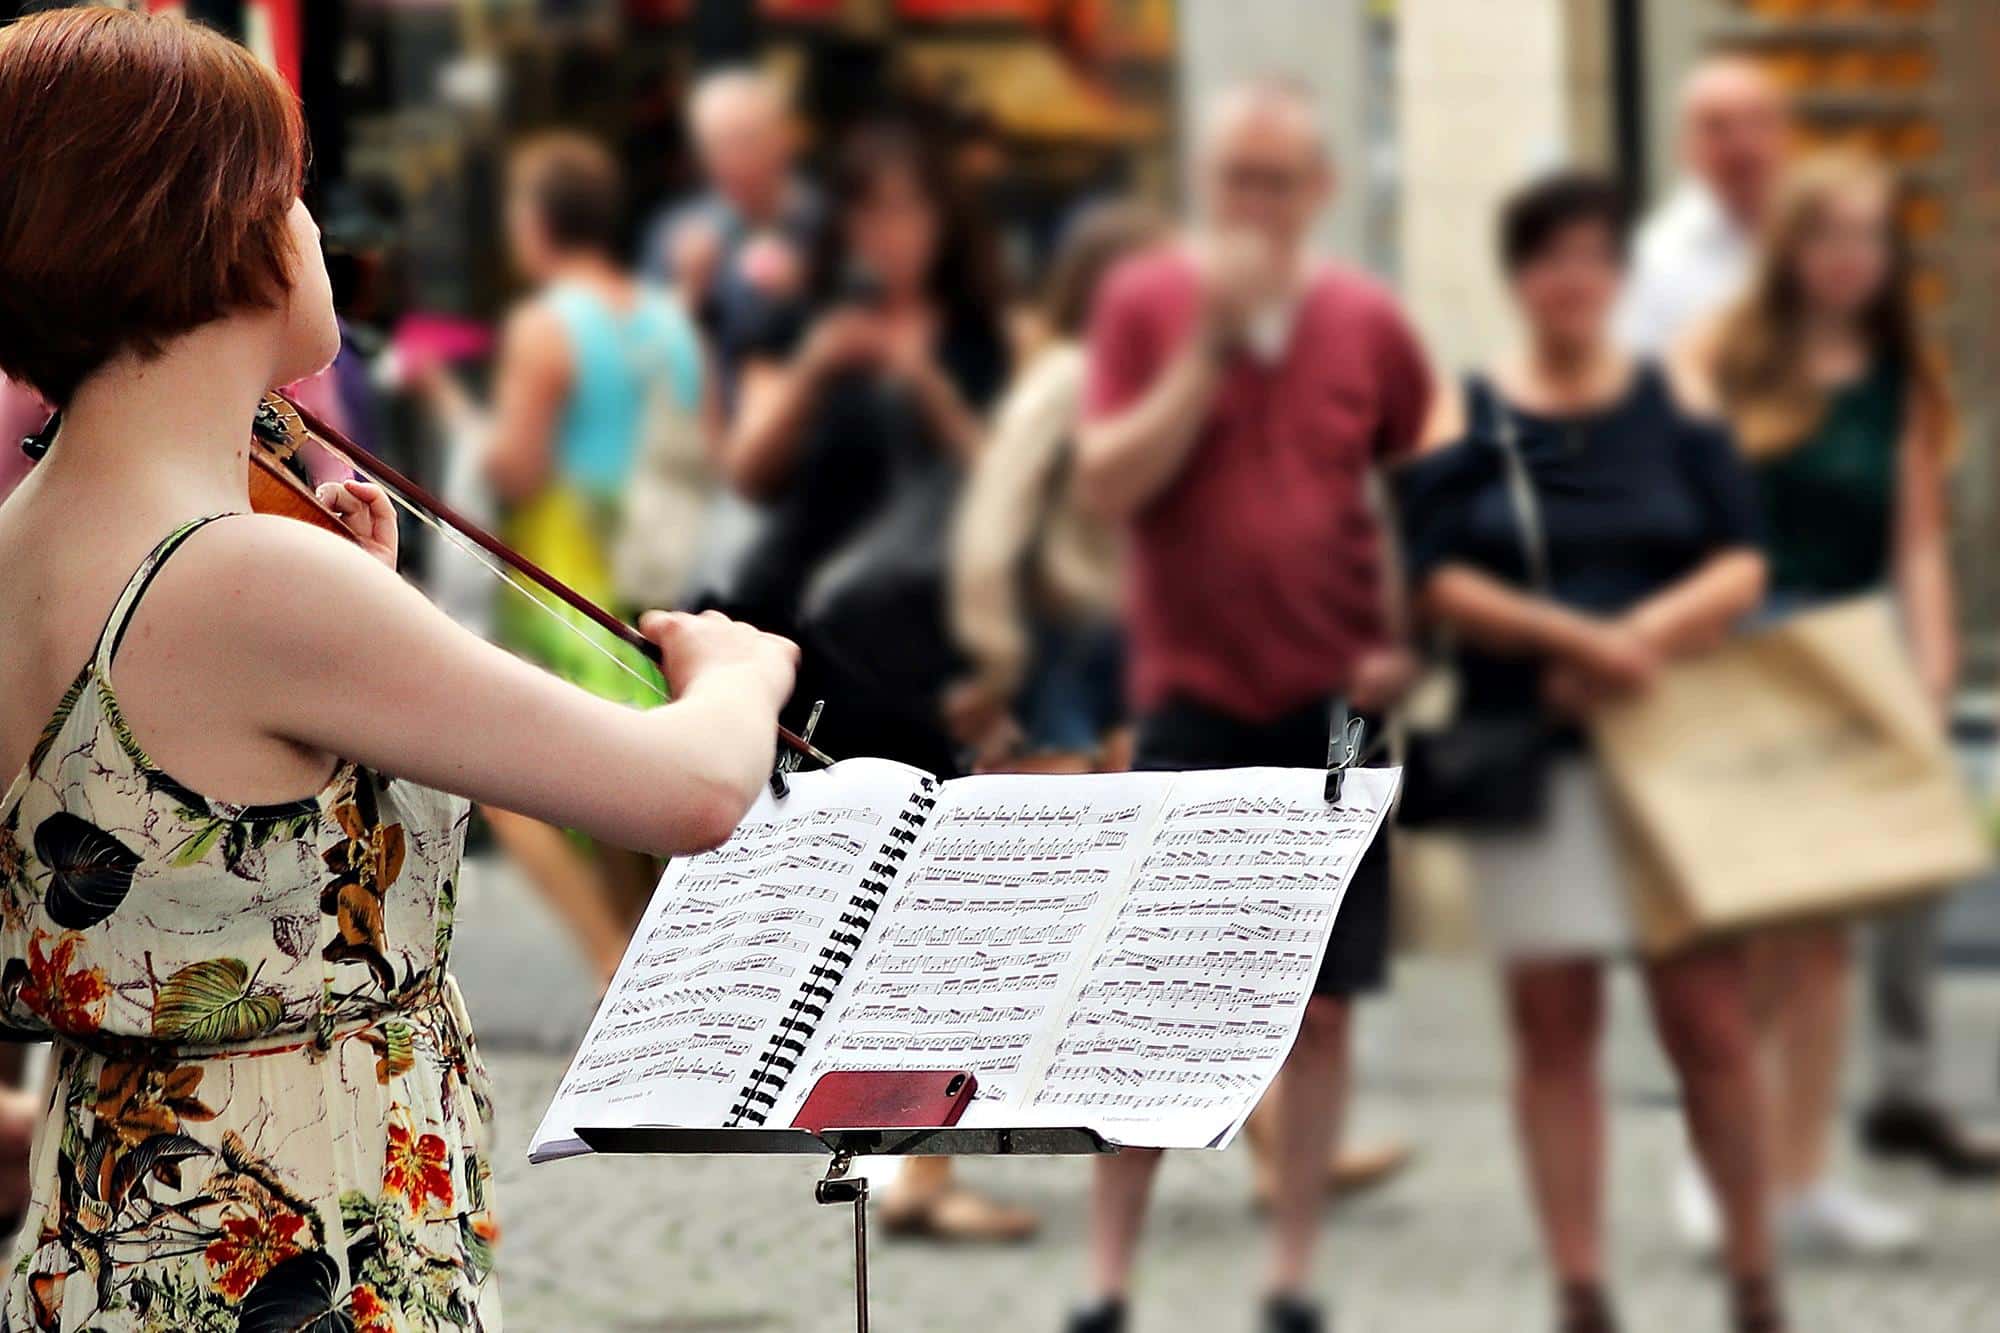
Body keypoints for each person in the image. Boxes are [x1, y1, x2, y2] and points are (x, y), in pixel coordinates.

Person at [0, 11, 798, 1329]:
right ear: (223, 229)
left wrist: (351, 622)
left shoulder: (37, 541)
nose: (317, 227)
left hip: (112, 1241)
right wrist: (735, 673)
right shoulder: (249, 579)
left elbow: (195, 823)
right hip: (295, 1247)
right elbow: (691, 790)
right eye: (292, 195)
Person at [1067, 79, 1431, 1333]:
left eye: (1279, 182)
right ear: (1201, 185)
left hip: (1331, 702)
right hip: (1190, 695)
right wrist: (1202, 357)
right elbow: (1107, 480)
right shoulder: (1145, 307)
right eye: (1236, 181)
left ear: (1316, 193)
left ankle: (1290, 1271)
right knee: (1153, 994)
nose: (1257, 207)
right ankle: (1109, 1279)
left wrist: (1401, 640)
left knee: (1322, 1005)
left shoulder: (1367, 325)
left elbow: (1411, 503)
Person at [1397, 171, 1782, 1333]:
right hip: (1532, 758)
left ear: (1618, 279)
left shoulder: (1675, 407)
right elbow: (1430, 578)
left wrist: (1636, 642)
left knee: (1706, 1019)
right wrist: (1561, 638)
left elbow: (1740, 558)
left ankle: (1753, 1276)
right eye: (1549, 260)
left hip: (1669, 755)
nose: (1572, 280)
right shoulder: (1468, 419)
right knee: (1552, 1025)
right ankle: (1578, 1287)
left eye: (1592, 260)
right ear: (1520, 280)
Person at [721, 121, 1034, 1242]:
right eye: (866, 211)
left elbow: (1015, 476)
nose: (886, 234)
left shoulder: (986, 338)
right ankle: (879, 1148)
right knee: (860, 898)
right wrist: (815, 372)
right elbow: (749, 471)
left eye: (907, 210)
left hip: (938, 640)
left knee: (948, 904)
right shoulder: (806, 324)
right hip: (820, 638)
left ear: (942, 224)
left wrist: (925, 387)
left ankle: (921, 1168)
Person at [1692, 151, 1996, 1231]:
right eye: (1827, 236)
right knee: (1765, 932)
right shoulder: (1729, 360)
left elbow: (1913, 543)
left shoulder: (1896, 380)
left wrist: (1929, 670)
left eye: (1868, 238)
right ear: (1791, 245)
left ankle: (1802, 1173)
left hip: (1855, 661)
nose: (1847, 260)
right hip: (1747, 661)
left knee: (1826, 939)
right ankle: (1718, 1159)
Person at [424, 133, 710, 985]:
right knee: (644, 775)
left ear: (537, 223)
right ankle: (668, 972)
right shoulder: (670, 323)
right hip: (659, 564)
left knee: (513, 777)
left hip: (568, 561)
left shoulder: (546, 326)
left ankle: (611, 964)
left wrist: (444, 401)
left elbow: (515, 464)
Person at [946, 202, 1163, 772]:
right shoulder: (1070, 375)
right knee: (1055, 825)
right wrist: (996, 659)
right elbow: (994, 516)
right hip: (1057, 644)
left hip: (1122, 649)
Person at [644, 67, 820, 406]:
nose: (732, 158)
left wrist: (806, 291)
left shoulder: (829, 225)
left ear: (785, 137)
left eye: (747, 139)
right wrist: (690, 289)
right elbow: (642, 360)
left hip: (818, 434)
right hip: (709, 431)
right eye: (716, 145)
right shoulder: (674, 232)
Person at [1616, 54, 1790, 357]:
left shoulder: (1823, 236)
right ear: (1683, 147)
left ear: (1787, 136)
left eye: (1758, 122)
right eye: (1717, 128)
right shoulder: (1651, 257)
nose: (1743, 145)